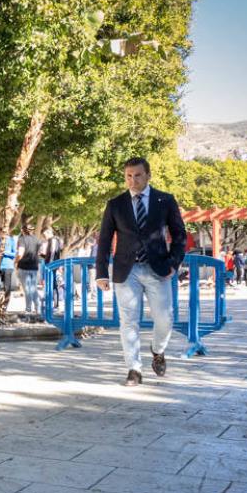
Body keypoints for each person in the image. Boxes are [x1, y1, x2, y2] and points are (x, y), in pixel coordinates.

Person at [95, 156, 186, 386]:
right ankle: (134, 369)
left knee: (165, 318)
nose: (132, 180)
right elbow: (104, 239)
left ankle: (157, 350)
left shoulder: (165, 200)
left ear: (148, 175)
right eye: (128, 176)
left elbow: (179, 235)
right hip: (127, 271)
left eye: (137, 175)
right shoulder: (115, 204)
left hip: (159, 270)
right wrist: (101, 272)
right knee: (128, 321)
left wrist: (173, 264)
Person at [16, 223, 41, 314]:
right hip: (34, 267)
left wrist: (15, 261)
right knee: (33, 288)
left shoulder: (22, 239)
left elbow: (20, 253)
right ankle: (38, 309)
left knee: (27, 289)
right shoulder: (37, 240)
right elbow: (39, 253)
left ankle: (28, 309)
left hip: (24, 267)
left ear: (23, 230)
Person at [0, 228, 18, 297]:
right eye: (0, 231)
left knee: (7, 287)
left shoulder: (11, 240)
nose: (2, 233)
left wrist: (5, 252)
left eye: (3, 231)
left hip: (8, 266)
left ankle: (5, 304)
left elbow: (14, 254)